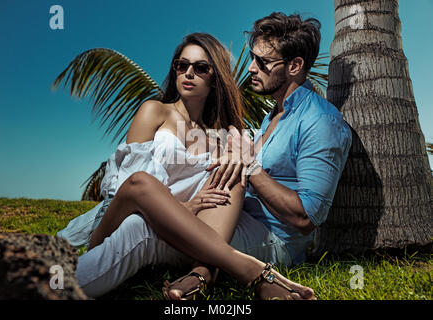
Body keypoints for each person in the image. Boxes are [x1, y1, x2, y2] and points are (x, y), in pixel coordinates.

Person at [57, 32, 315, 300]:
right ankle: (249, 270)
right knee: (142, 184)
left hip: (182, 232)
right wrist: (186, 207)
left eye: (200, 68)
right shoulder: (154, 111)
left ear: (215, 78)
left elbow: (231, 190)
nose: (188, 73)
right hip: (118, 218)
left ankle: (202, 272)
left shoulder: (224, 137)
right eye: (182, 65)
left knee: (233, 175)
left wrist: (238, 160)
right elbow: (125, 189)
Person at [162, 12, 352, 299]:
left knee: (154, 235)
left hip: (276, 239)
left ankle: (207, 273)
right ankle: (204, 271)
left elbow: (305, 217)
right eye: (253, 57)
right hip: (237, 216)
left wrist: (249, 167)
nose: (251, 68)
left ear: (295, 66)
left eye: (262, 62)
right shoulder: (273, 116)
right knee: (159, 218)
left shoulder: (320, 121)